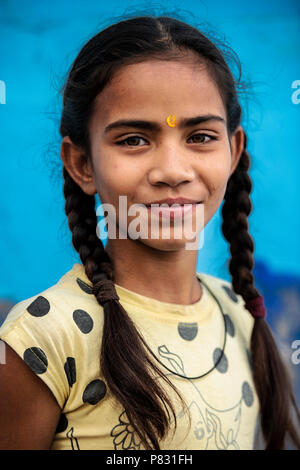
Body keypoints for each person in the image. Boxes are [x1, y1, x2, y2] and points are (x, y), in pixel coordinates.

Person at [0, 14, 299, 451]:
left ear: (233, 152)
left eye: (200, 136)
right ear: (82, 163)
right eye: (134, 140)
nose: (172, 172)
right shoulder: (43, 335)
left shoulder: (238, 314)